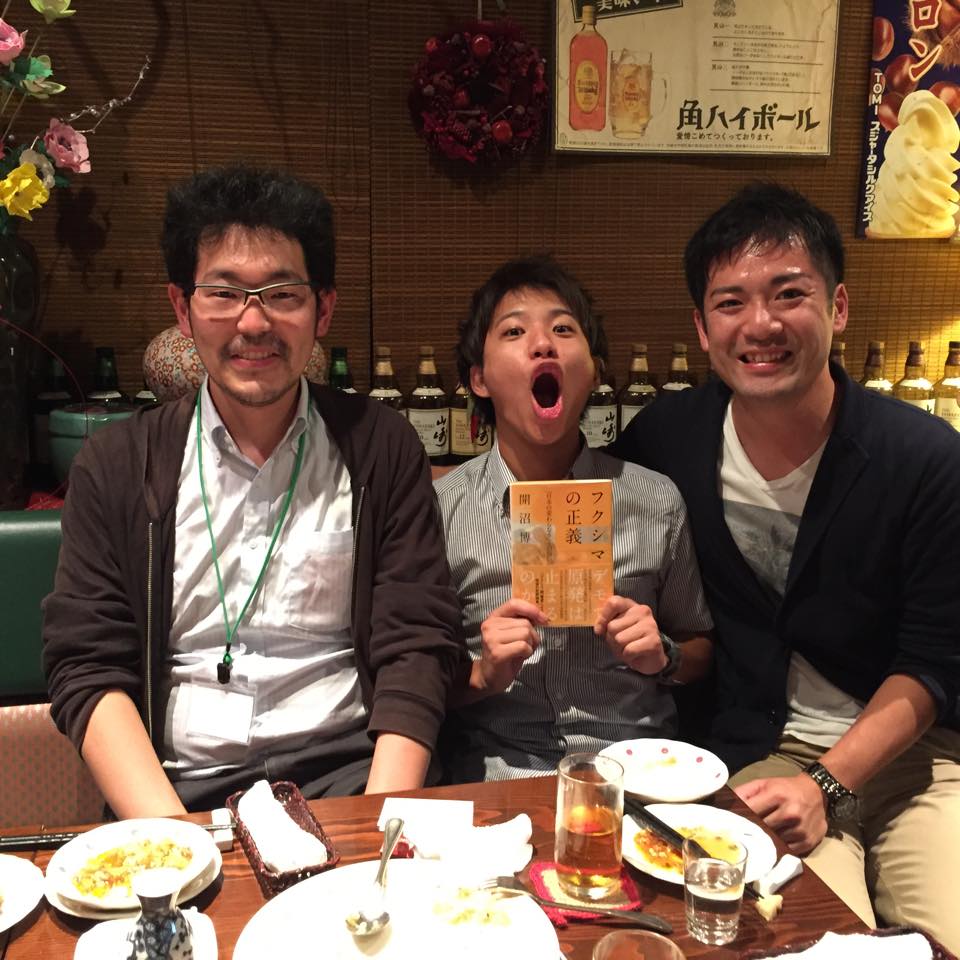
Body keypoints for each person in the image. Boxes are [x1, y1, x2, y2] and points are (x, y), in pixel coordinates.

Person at [43, 165, 466, 817]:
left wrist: (379, 821)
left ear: (323, 309)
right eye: (224, 293)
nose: (253, 321)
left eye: (282, 294)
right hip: (181, 791)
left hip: (350, 778)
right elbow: (86, 663)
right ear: (182, 309)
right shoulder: (117, 465)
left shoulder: (380, 447)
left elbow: (417, 640)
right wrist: (173, 835)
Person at [612, 182, 960, 948]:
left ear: (838, 307)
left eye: (789, 294)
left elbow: (934, 663)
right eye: (731, 303)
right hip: (759, 753)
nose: (761, 324)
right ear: (702, 328)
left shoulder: (924, 459)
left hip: (913, 759)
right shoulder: (671, 437)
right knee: (775, 936)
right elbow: (583, 496)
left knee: (943, 935)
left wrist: (828, 782)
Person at [435, 255, 713, 782]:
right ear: (479, 379)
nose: (543, 344)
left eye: (563, 329)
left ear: (596, 371)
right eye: (514, 331)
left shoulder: (655, 500)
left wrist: (664, 656)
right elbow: (414, 684)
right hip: (498, 773)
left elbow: (700, 646)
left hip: (635, 770)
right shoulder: (441, 509)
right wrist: (482, 675)